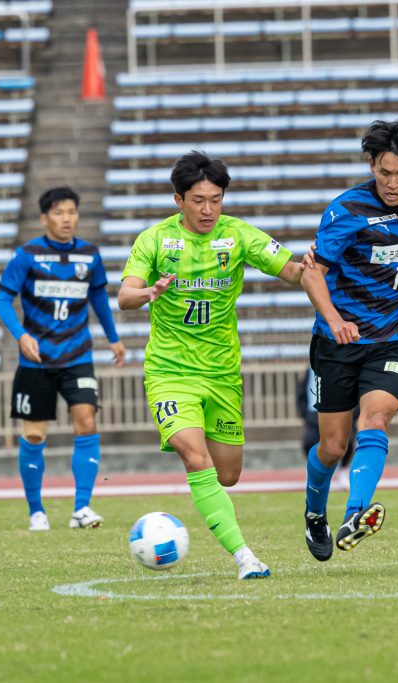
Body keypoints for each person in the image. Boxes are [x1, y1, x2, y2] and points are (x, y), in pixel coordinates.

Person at [118, 151, 306, 580]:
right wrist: (148, 292)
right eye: (198, 200)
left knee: (229, 474)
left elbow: (293, 272)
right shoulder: (154, 240)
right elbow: (125, 296)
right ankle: (245, 557)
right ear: (178, 200)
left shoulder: (238, 235)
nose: (208, 210)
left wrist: (313, 265)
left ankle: (215, 505)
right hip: (170, 372)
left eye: (216, 200)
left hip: (221, 373)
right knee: (194, 457)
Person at [300, 119, 398, 561]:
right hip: (339, 340)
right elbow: (312, 273)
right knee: (333, 446)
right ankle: (314, 513)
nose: (392, 183)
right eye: (384, 172)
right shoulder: (346, 210)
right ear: (371, 165)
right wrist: (334, 320)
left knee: (377, 418)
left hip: (395, 334)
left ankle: (355, 514)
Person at [0, 187, 126, 531]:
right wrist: (21, 335)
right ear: (44, 218)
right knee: (34, 435)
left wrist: (113, 338)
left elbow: (99, 298)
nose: (66, 218)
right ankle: (36, 511)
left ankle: (81, 508)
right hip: (36, 359)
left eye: (71, 211)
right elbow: (2, 300)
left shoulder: (90, 255)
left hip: (78, 355)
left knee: (87, 421)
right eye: (58, 212)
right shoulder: (27, 255)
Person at [296, 366, 356, 490]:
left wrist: (352, 415)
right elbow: (301, 393)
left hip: (340, 412)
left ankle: (343, 470)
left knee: (347, 441)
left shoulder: (344, 367)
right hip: (314, 414)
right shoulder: (310, 371)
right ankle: (314, 471)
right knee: (308, 441)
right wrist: (305, 415)